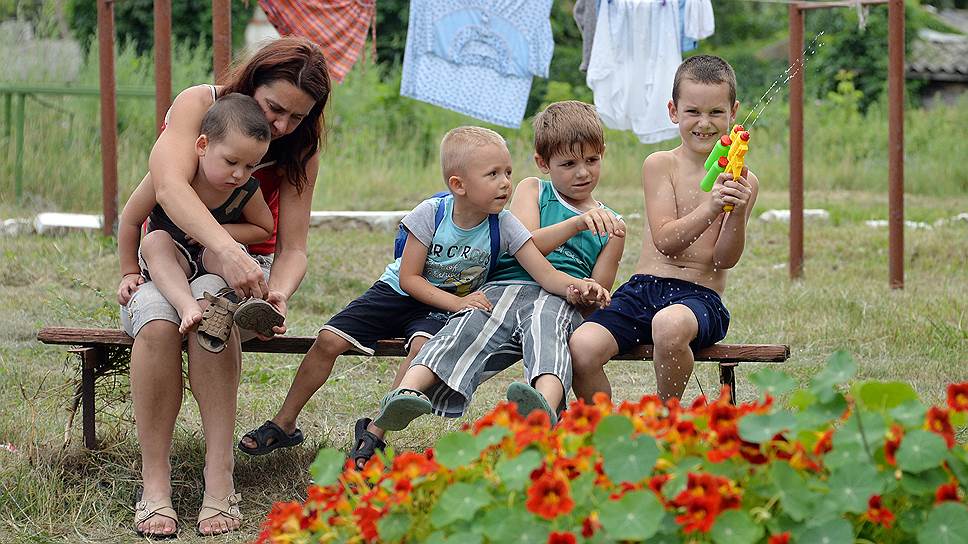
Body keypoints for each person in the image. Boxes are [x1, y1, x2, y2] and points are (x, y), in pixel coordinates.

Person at [238, 125, 607, 468]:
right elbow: (410, 278)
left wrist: (577, 288)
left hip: (439, 305)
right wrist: (459, 304)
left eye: (508, 173)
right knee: (328, 340)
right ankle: (284, 422)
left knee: (421, 348)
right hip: (399, 292)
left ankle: (375, 431)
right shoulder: (431, 213)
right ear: (458, 184)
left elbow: (544, 273)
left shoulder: (505, 225)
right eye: (493, 175)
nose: (505, 184)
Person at [118, 37, 330, 538]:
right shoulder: (199, 105)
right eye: (274, 107)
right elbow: (166, 186)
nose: (280, 127)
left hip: (230, 275)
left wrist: (278, 292)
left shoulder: (300, 152)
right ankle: (156, 485)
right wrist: (221, 246)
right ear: (250, 81)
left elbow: (292, 248)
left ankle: (219, 478)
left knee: (214, 309)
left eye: (295, 118)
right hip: (165, 266)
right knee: (154, 317)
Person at [371, 100, 624, 434]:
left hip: (558, 295)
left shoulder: (613, 225)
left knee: (546, 331)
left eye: (592, 160)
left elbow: (595, 295)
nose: (583, 172)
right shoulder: (532, 189)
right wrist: (577, 224)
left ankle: (543, 403)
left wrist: (588, 292)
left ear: (603, 154)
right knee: (467, 327)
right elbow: (525, 243)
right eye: (569, 163)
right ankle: (407, 392)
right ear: (542, 162)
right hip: (502, 287)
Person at [569, 54, 759, 403]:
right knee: (581, 346)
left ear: (733, 113)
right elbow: (667, 240)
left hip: (699, 299)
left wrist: (737, 212)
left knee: (668, 326)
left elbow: (724, 258)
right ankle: (600, 425)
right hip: (644, 289)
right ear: (674, 112)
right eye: (693, 112)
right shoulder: (660, 165)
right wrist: (711, 206)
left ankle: (664, 413)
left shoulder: (743, 179)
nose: (704, 123)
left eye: (716, 112)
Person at [118, 93, 274, 352]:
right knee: (155, 242)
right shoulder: (173, 174)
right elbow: (131, 219)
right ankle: (185, 305)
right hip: (172, 258)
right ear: (203, 146)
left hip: (210, 263)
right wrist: (129, 272)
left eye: (250, 166)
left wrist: (223, 234)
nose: (239, 174)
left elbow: (264, 228)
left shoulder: (245, 190)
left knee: (231, 252)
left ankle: (254, 307)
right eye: (231, 162)